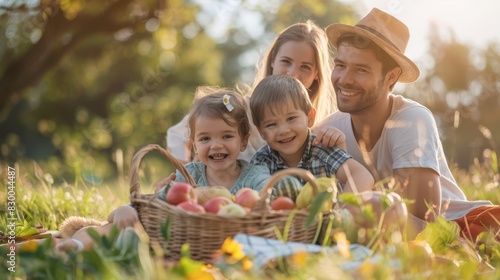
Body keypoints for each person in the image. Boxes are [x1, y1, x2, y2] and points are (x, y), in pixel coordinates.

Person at [318, 7, 499, 240]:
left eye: (360, 69)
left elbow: (424, 219)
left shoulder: (412, 119)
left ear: (391, 77)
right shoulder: (329, 129)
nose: (343, 79)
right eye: (340, 65)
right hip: (373, 233)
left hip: (455, 227)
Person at [57, 87, 271, 252]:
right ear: (194, 145)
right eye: (205, 138)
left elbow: (272, 207)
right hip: (181, 243)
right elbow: (154, 205)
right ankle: (75, 247)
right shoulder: (190, 175)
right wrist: (125, 209)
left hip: (232, 247)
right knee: (122, 225)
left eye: (227, 136)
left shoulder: (255, 177)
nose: (215, 145)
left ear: (243, 142)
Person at [166, 20, 344, 164]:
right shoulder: (238, 109)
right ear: (273, 60)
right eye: (286, 62)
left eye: (305, 67)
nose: (293, 73)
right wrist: (186, 174)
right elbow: (177, 135)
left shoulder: (317, 126)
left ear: (317, 75)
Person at [249, 74, 374, 195]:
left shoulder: (323, 150)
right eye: (271, 124)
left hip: (325, 215)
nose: (283, 130)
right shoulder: (262, 160)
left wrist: (341, 209)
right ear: (261, 132)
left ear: (309, 118)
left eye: (291, 118)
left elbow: (362, 176)